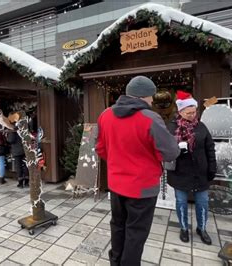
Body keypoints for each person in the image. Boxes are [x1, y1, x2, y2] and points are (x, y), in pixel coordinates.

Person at [95, 76, 180, 265]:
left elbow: (100, 148)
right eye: (151, 97)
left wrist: (119, 161)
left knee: (118, 226)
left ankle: (115, 262)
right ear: (144, 96)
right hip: (142, 188)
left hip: (116, 185)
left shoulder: (105, 115)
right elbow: (171, 152)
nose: (152, 101)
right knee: (136, 233)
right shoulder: (150, 118)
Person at [166, 90, 217, 245]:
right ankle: (183, 228)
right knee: (181, 202)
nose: (192, 115)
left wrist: (212, 167)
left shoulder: (201, 126)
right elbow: (165, 148)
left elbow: (210, 147)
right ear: (180, 111)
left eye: (194, 112)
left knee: (202, 203)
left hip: (200, 172)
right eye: (188, 113)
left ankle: (201, 229)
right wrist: (177, 149)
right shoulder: (171, 127)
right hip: (180, 172)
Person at [7, 113, 29, 189]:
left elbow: (10, 140)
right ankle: (26, 182)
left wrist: (8, 134)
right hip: (25, 149)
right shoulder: (24, 126)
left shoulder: (13, 129)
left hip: (17, 151)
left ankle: (20, 183)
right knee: (26, 165)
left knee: (18, 166)